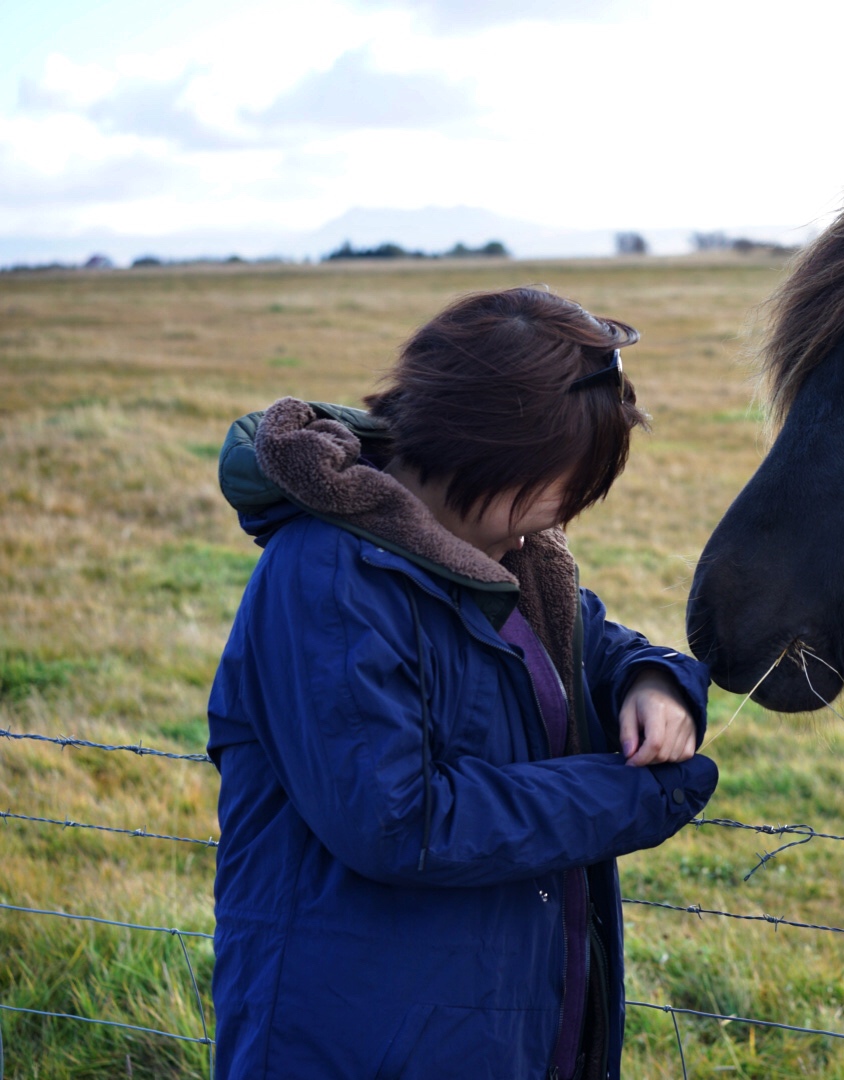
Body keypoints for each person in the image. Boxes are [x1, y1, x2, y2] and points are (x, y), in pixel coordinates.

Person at [207, 287, 717, 1079]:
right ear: (487, 451)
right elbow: (396, 821)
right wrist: (635, 796)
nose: (564, 515)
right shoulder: (332, 579)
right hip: (354, 1041)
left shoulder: (507, 556)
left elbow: (587, 645)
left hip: (492, 1025)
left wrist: (654, 681)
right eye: (562, 485)